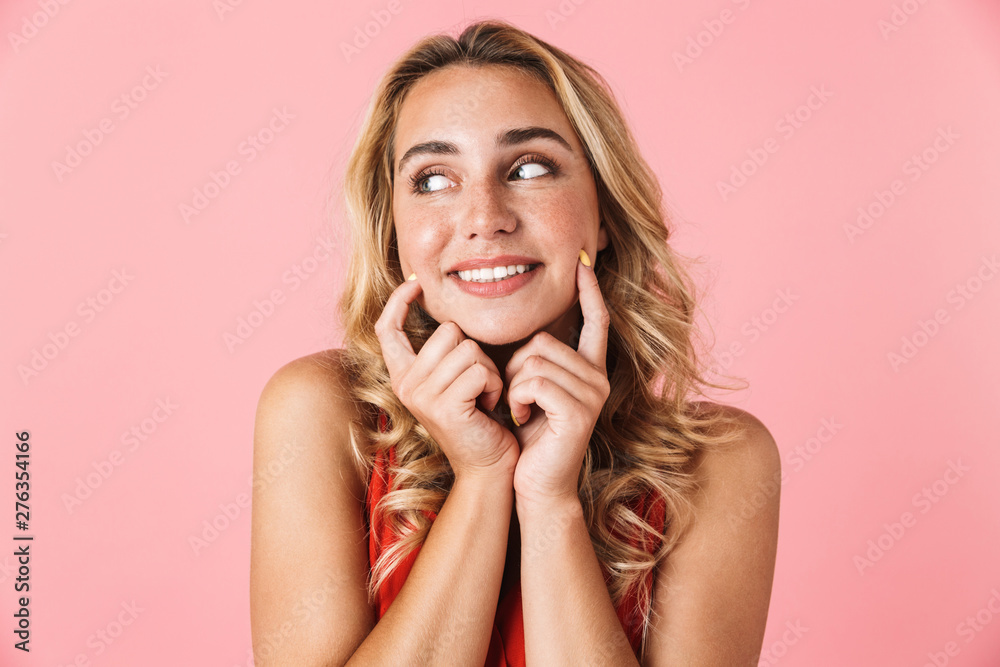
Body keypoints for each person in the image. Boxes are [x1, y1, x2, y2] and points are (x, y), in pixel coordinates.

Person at [250, 19, 780, 666]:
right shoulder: (321, 412)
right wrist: (483, 475)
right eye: (434, 180)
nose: (483, 218)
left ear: (604, 213)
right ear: (395, 231)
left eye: (530, 167)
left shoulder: (721, 463)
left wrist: (550, 499)